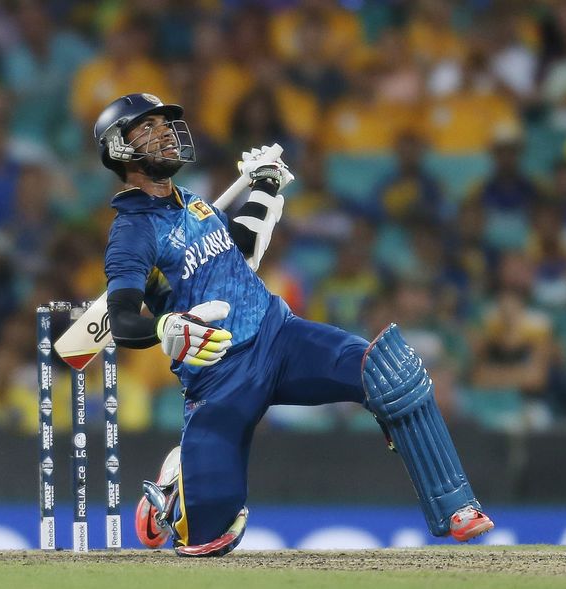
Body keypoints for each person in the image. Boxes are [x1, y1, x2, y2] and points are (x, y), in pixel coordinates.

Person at [96, 93, 494, 556]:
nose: (163, 132)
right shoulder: (132, 231)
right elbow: (122, 320)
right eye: (146, 128)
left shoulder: (193, 203)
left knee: (389, 372)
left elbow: (238, 250)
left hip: (278, 336)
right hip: (220, 378)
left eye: (165, 124)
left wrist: (263, 188)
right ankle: (175, 486)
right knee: (209, 540)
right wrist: (165, 327)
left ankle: (456, 507)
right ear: (118, 149)